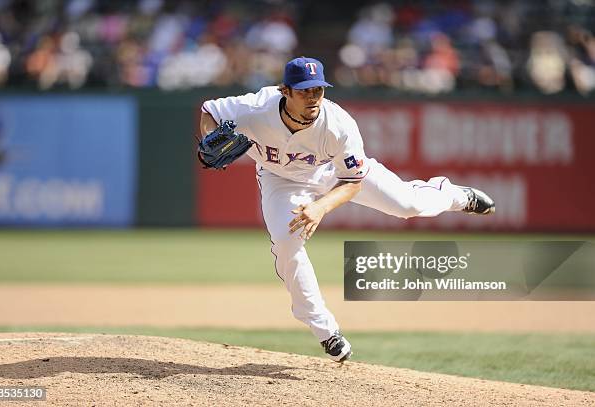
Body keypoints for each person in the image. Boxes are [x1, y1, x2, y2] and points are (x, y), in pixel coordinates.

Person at [199, 57, 494, 363]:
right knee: (287, 243)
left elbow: (352, 182)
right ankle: (326, 332)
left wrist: (320, 207)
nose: (313, 97)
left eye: (318, 89)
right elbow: (210, 110)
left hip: (334, 175)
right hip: (281, 180)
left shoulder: (339, 125)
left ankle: (454, 195)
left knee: (408, 205)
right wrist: (209, 136)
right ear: (284, 90)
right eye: (304, 91)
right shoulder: (257, 107)